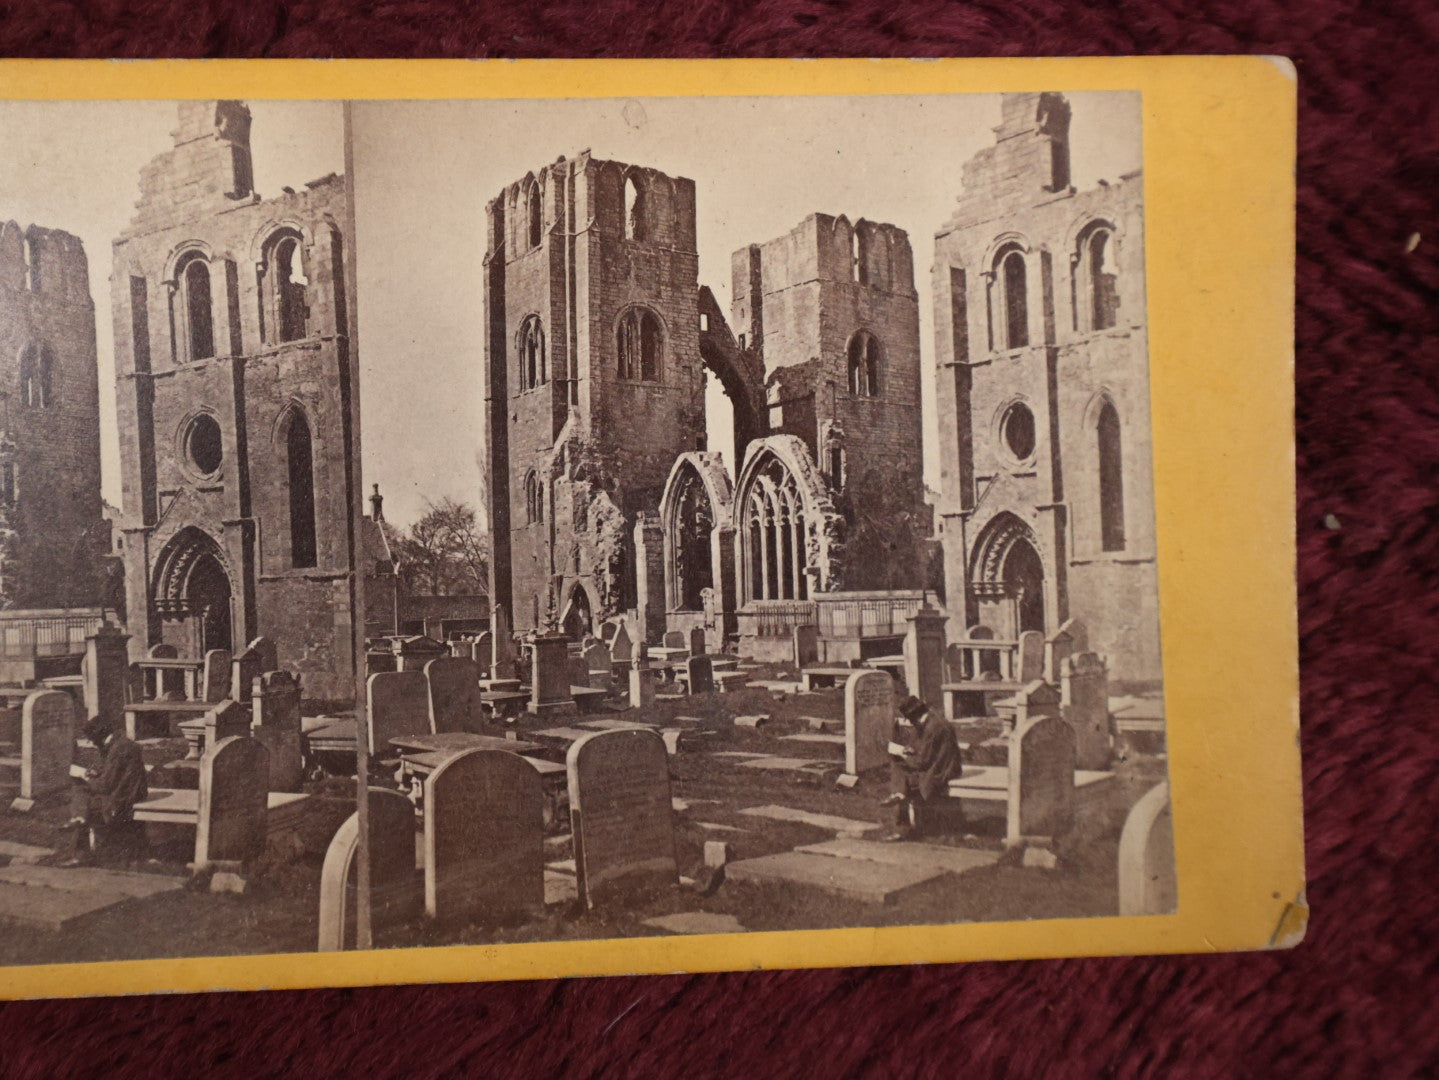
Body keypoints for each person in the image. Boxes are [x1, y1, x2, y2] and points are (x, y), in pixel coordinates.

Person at [63, 715, 149, 867]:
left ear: (99, 736)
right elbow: (114, 774)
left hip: (124, 797)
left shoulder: (117, 749)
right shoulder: (122, 744)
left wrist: (87, 779)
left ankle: (80, 846)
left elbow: (106, 785)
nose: (93, 743)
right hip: (132, 791)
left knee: (81, 790)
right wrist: (96, 773)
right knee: (82, 792)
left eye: (92, 739)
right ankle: (79, 818)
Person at [881, 694, 963, 842]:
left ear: (914, 717)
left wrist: (904, 756)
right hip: (939, 763)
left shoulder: (933, 728)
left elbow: (922, 762)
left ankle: (900, 812)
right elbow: (922, 748)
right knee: (901, 771)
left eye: (911, 720)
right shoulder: (931, 720)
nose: (912, 725)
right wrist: (910, 750)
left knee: (900, 769)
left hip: (942, 769)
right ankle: (899, 795)